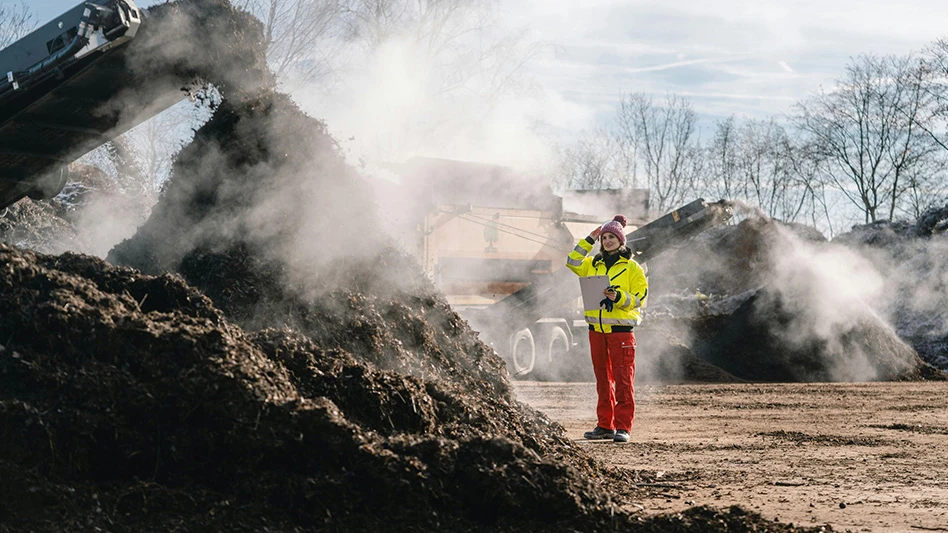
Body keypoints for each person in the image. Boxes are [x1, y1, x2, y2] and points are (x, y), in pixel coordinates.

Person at [565, 214, 648, 443]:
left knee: (623, 381)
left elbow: (640, 298)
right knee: (603, 381)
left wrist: (619, 296)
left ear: (621, 240)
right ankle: (605, 425)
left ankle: (623, 427)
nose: (608, 241)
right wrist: (588, 240)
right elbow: (571, 262)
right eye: (604, 237)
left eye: (612, 237)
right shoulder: (593, 263)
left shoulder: (634, 268)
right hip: (596, 331)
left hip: (621, 333)